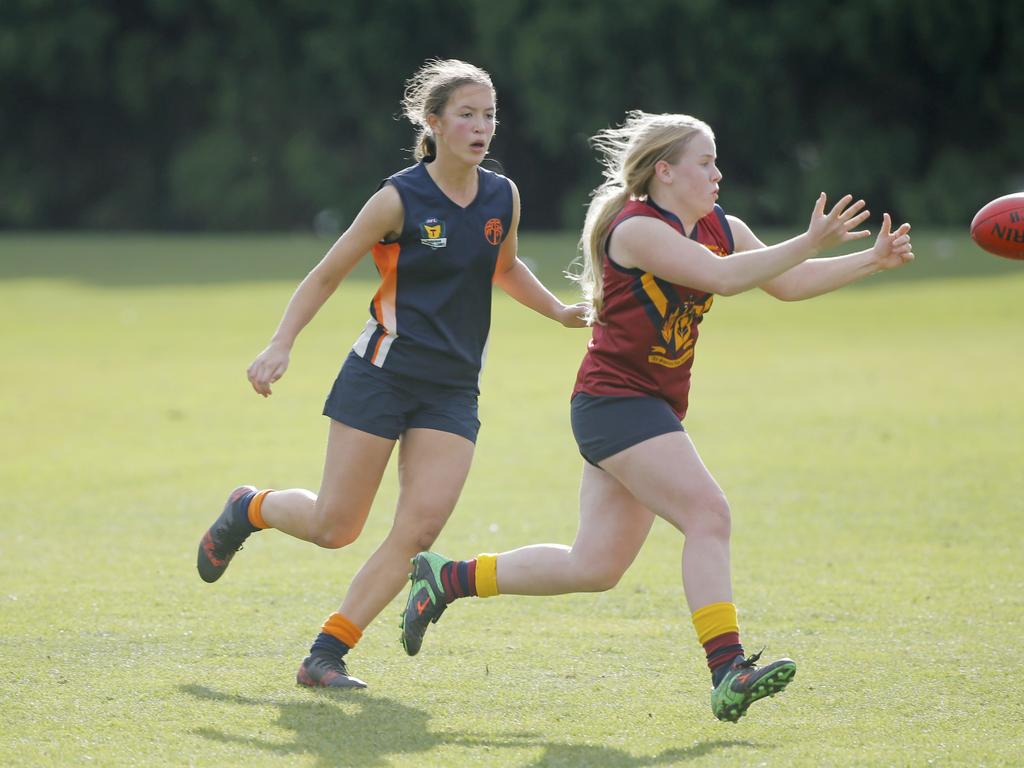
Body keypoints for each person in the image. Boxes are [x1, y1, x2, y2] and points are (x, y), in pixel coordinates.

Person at [400, 110, 914, 721]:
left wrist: (871, 262)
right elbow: (723, 279)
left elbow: (789, 283)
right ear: (665, 171)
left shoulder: (722, 226)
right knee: (708, 513)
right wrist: (808, 238)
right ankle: (729, 669)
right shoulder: (636, 228)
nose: (718, 173)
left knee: (593, 566)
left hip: (645, 406)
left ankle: (449, 578)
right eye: (706, 161)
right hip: (616, 404)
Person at [195, 58, 586, 689]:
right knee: (335, 527)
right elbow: (326, 273)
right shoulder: (397, 199)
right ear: (433, 123)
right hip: (381, 373)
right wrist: (281, 344)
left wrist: (559, 311)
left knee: (421, 530)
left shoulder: (501, 196)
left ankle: (327, 653)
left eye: (489, 115)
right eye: (467, 114)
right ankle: (250, 508)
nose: (482, 126)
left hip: (453, 388)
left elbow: (506, 267)